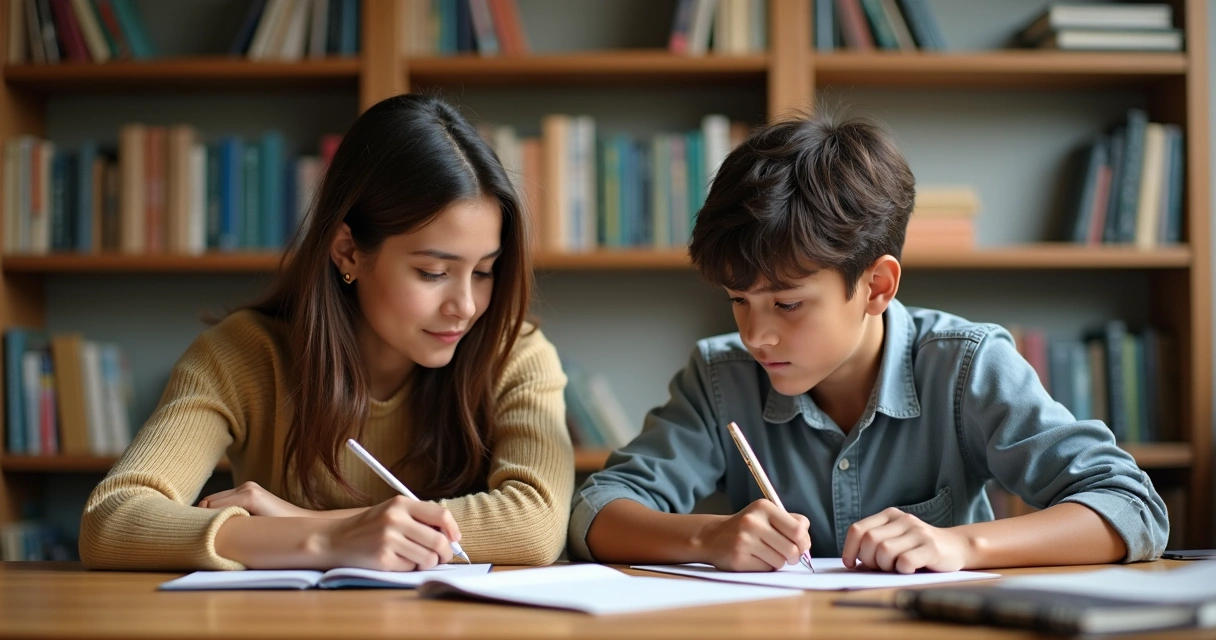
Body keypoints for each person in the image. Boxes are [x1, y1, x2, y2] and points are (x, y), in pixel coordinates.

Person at [570, 112, 1168, 573]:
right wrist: (706, 537)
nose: (756, 334)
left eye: (787, 303)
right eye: (738, 301)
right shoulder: (721, 376)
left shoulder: (966, 367)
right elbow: (598, 509)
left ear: (876, 286)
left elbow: (1131, 506)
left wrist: (959, 545)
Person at [80, 94, 573, 571]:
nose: (465, 307)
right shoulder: (244, 354)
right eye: (433, 272)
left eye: (484, 271)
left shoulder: (514, 352)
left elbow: (536, 524)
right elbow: (113, 520)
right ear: (348, 252)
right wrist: (327, 540)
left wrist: (307, 522)